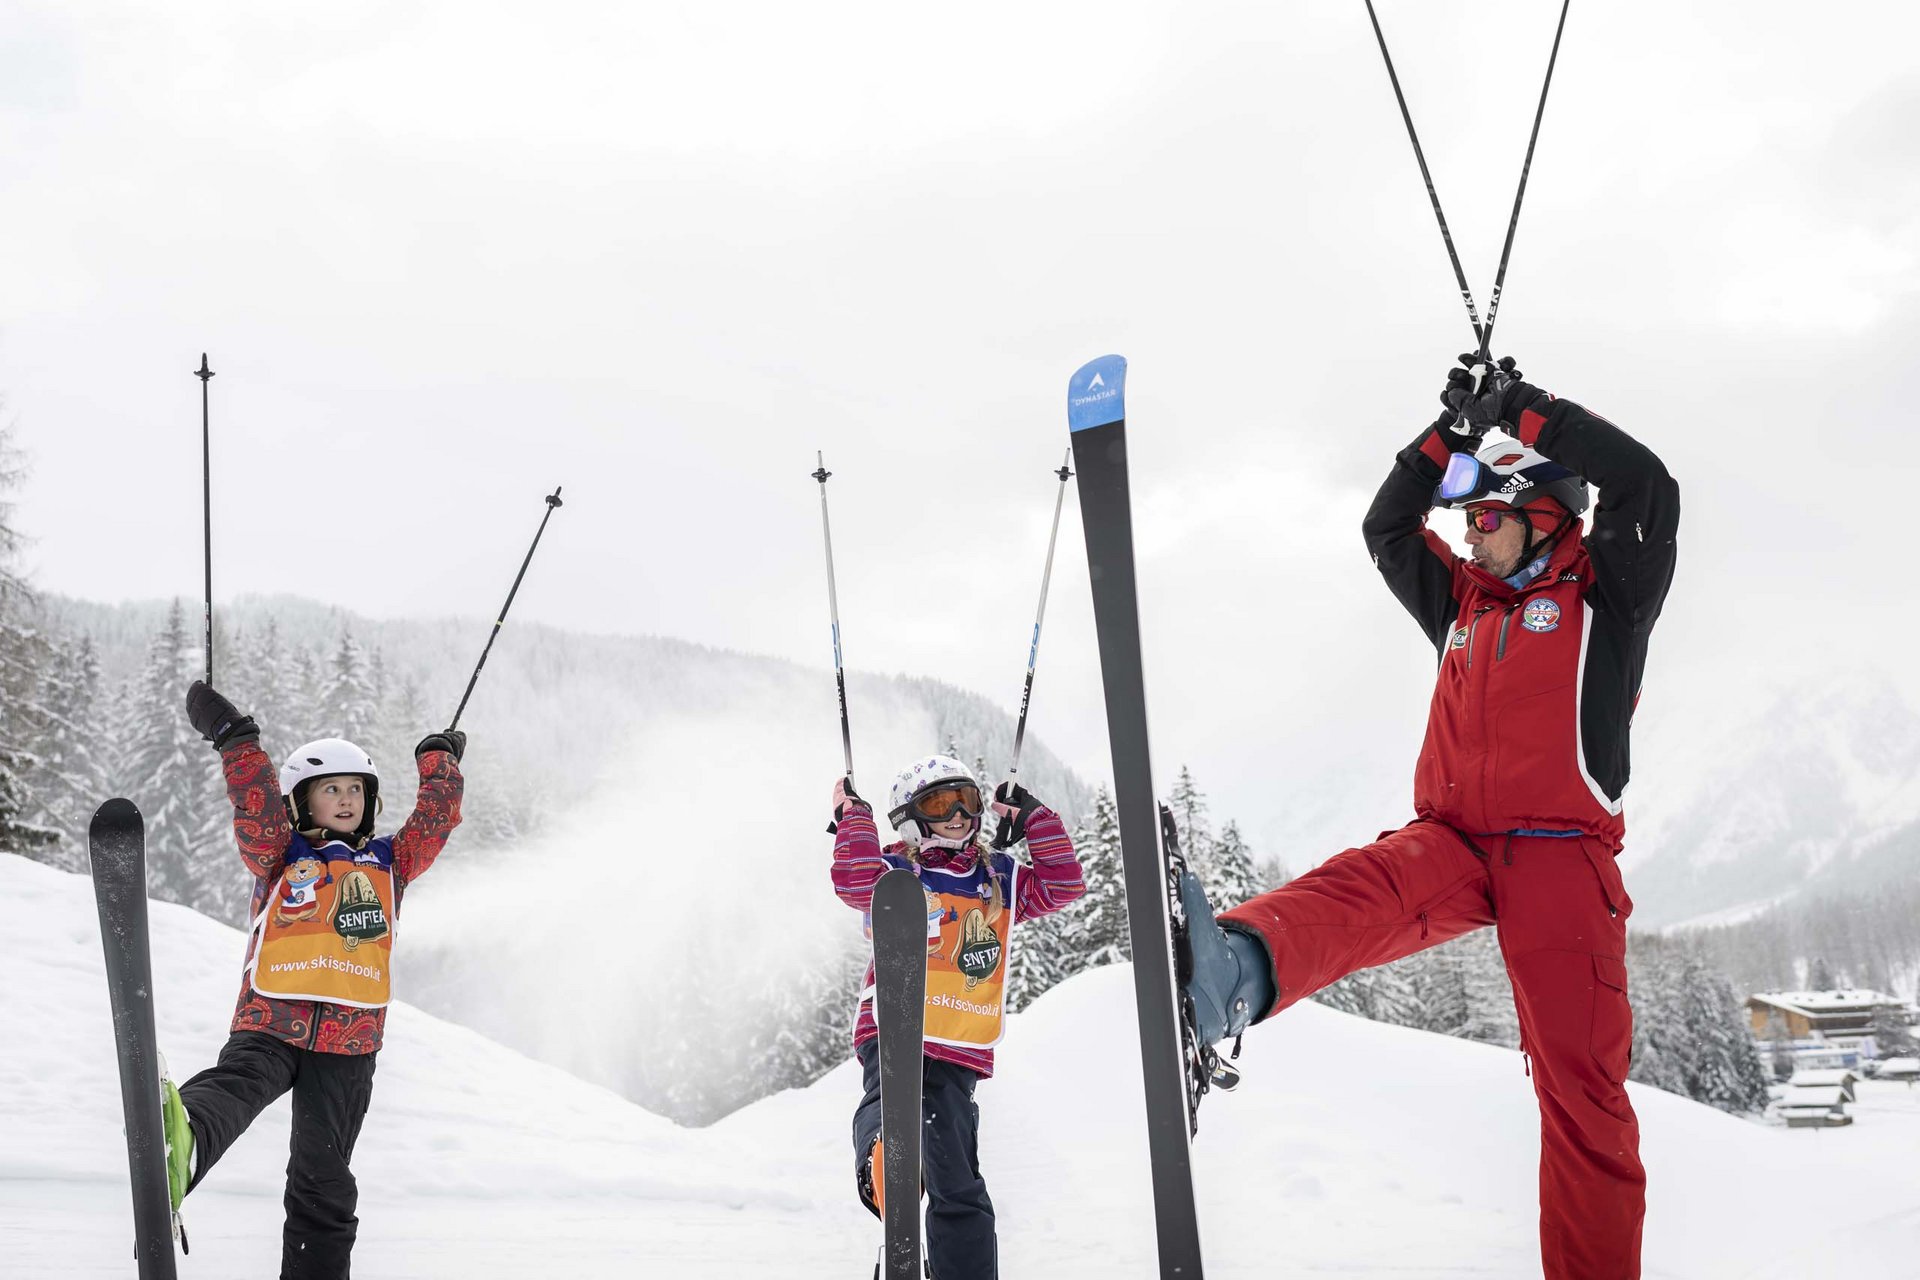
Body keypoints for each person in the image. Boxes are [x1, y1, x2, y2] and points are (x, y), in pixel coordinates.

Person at [1180, 355, 1679, 1280]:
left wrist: (1527, 414)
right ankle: (1231, 972)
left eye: (1487, 518)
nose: (1471, 533)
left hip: (1561, 861)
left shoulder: (1607, 594)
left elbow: (1646, 482)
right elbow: (1387, 523)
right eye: (1468, 519)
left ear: (1544, 516)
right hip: (1451, 839)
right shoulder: (1464, 602)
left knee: (1581, 1094)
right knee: (1361, 888)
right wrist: (1449, 435)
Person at [159, 679, 465, 1279]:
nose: (347, 800)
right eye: (331, 790)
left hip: (350, 1043)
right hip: (273, 1019)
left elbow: (435, 822)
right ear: (304, 801)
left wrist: (439, 764)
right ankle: (184, 1141)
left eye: (357, 790)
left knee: (324, 1180)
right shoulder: (279, 852)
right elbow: (256, 808)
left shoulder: (390, 862)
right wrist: (235, 740)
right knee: (238, 1084)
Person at [830, 755, 1086, 1280]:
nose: (957, 814)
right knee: (888, 1102)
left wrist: (1034, 816)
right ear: (910, 817)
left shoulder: (998, 877)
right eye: (940, 803)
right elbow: (854, 884)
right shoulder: (896, 872)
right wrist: (854, 817)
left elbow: (1064, 887)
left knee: (958, 1175)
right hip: (897, 1026)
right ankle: (887, 1163)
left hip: (959, 1038)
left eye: (966, 801)